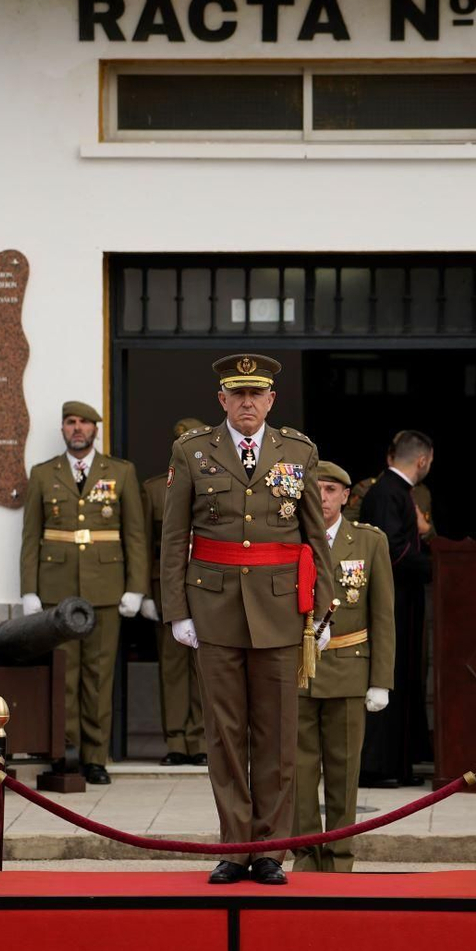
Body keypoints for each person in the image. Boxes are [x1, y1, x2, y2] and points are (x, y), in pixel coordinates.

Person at [158, 354, 334, 886]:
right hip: (212, 608)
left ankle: (271, 850)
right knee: (225, 735)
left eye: (257, 394)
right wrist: (177, 611)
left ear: (272, 400)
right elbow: (173, 538)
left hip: (280, 610)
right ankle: (236, 847)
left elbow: (313, 537)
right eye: (238, 394)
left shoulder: (298, 451)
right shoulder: (191, 451)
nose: (248, 403)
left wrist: (322, 610)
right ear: (222, 400)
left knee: (279, 737)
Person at [18, 401, 148, 785]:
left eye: (84, 423)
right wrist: (30, 591)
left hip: (106, 591)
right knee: (63, 676)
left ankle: (95, 758)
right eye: (71, 423)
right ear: (63, 430)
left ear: (96, 430)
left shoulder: (121, 472)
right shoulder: (43, 475)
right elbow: (31, 538)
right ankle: (65, 754)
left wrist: (136, 588)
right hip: (58, 594)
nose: (77, 429)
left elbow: (135, 536)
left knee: (98, 677)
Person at [292, 461, 394, 873]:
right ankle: (305, 855)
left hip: (351, 670)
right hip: (299, 670)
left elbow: (383, 614)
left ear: (347, 497)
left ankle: (339, 858)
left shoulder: (369, 543)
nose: (323, 497)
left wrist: (381, 681)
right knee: (298, 774)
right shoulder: (289, 537)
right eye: (315, 489)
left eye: (331, 489)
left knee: (343, 771)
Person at [356, 429, 434, 787]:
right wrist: (438, 567)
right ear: (422, 460)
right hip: (392, 601)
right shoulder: (389, 492)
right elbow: (393, 550)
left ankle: (398, 765)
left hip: (404, 600)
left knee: (402, 679)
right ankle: (377, 767)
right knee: (389, 678)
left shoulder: (396, 491)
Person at [140, 416, 207, 767]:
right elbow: (143, 544)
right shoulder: (154, 490)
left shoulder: (214, 483)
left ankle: (200, 741)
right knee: (173, 668)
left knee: (205, 667)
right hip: (166, 589)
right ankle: (176, 742)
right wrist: (144, 593)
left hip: (209, 587)